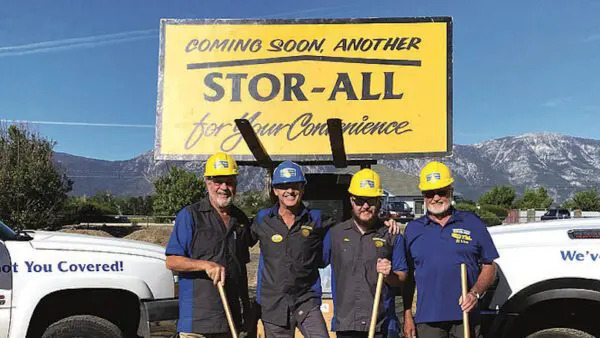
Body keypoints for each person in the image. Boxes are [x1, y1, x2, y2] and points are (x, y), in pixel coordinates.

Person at [402, 161, 500, 338]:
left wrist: (475, 293)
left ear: (451, 191)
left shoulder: (472, 223)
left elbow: (490, 266)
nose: (436, 198)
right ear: (423, 195)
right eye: (430, 193)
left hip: (465, 317)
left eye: (441, 192)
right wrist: (407, 314)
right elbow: (407, 277)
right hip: (428, 319)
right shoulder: (412, 229)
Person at [165, 152, 252, 338]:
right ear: (207, 182)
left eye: (229, 182)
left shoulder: (241, 219)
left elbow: (241, 269)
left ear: (235, 184)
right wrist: (205, 265)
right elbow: (172, 261)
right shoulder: (190, 215)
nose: (223, 187)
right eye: (217, 181)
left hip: (231, 320)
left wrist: (247, 309)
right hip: (198, 321)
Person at [248, 160, 333, 338]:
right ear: (275, 190)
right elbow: (239, 240)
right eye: (284, 186)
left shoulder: (316, 219)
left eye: (295, 186)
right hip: (273, 304)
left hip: (306, 300)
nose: (290, 191)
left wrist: (384, 223)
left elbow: (350, 228)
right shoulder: (263, 219)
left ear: (302, 188)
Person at [322, 168, 408, 338]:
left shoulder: (392, 235)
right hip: (346, 325)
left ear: (379, 202)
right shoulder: (335, 234)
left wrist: (389, 274)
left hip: (381, 326)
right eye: (360, 201)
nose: (365, 206)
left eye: (371, 201)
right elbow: (314, 263)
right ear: (351, 201)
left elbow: (402, 278)